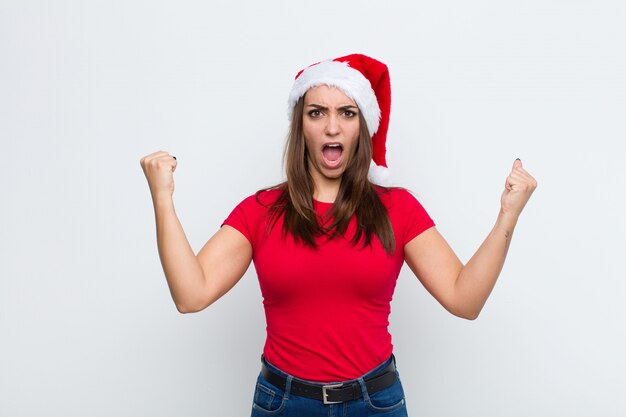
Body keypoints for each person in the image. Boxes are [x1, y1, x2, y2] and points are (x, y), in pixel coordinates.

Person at [139, 54, 537, 417]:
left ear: (362, 126)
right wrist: (162, 198)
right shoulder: (261, 211)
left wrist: (507, 215)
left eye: (347, 113)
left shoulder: (397, 209)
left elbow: (464, 300)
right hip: (284, 405)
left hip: (375, 403)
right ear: (301, 126)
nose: (332, 126)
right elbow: (190, 295)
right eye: (317, 113)